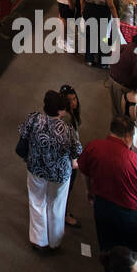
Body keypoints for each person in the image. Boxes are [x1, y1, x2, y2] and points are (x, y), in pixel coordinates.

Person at [76, 116, 137, 261]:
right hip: (131, 217)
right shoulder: (136, 161)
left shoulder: (93, 147)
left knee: (108, 247)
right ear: (127, 136)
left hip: (102, 208)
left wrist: (89, 191)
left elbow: (84, 171)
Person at [18, 90, 82, 252]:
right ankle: (55, 241)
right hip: (60, 174)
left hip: (36, 169)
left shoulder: (34, 119)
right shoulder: (66, 129)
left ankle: (40, 241)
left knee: (37, 202)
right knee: (56, 206)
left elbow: (23, 136)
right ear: (61, 110)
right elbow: (77, 151)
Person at [59, 84, 83, 227]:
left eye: (75, 99)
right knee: (66, 188)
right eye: (70, 100)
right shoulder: (66, 118)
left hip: (70, 158)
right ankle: (63, 214)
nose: (74, 102)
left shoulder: (71, 115)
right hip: (68, 160)